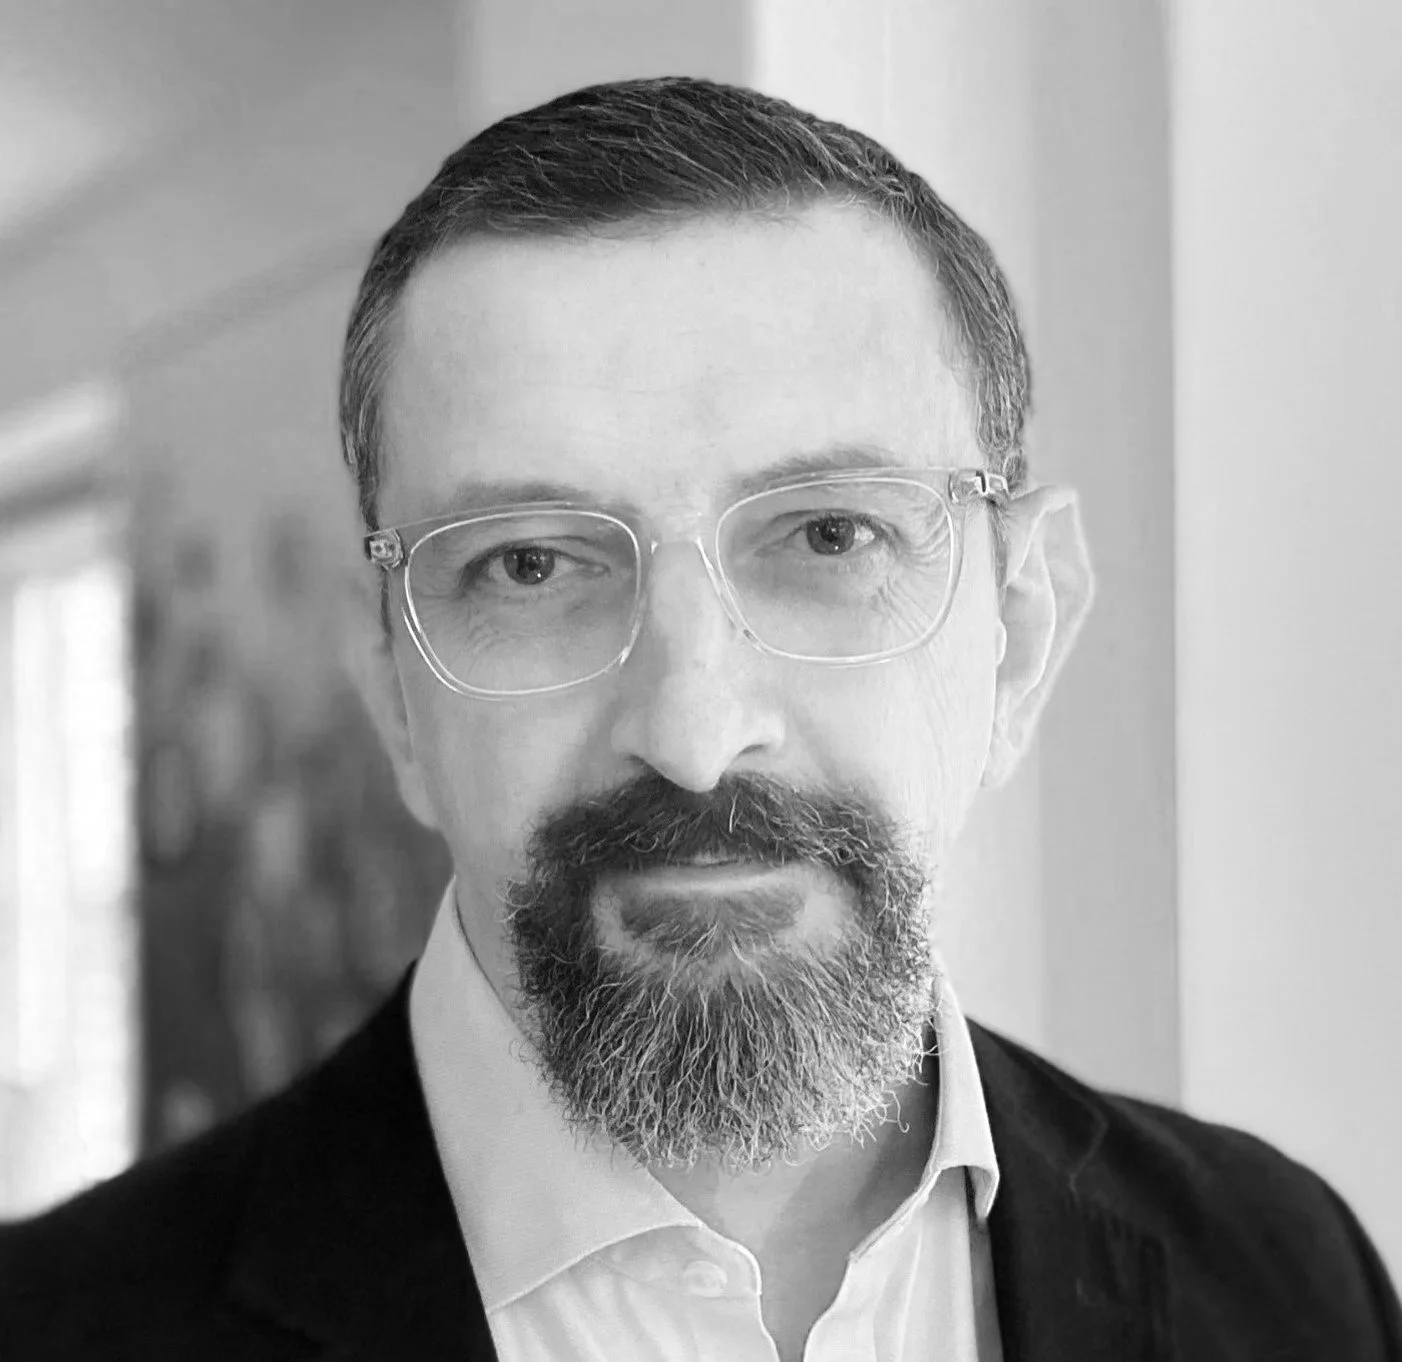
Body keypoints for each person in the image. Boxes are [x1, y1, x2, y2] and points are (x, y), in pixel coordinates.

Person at [2, 75, 1398, 1362]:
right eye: (531, 564)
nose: (690, 727)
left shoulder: (1290, 1277)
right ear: (396, 698)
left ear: (1021, 631)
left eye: (830, 534)